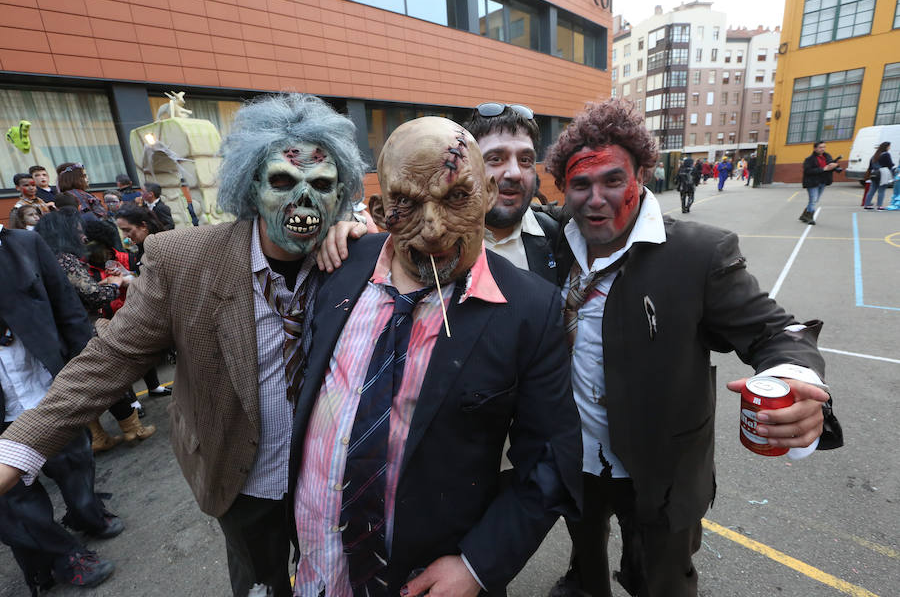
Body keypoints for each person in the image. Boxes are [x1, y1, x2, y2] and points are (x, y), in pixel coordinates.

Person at [0, 93, 368, 597]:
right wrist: (18, 448)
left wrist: (366, 232)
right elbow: (110, 358)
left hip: (333, 478)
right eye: (283, 180)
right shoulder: (184, 260)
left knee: (335, 579)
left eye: (323, 186)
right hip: (242, 475)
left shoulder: (359, 257)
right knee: (261, 583)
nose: (304, 200)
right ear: (251, 185)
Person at [540, 99, 840, 597]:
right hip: (578, 456)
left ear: (642, 176)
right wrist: (363, 231)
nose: (596, 199)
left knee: (661, 578)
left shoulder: (698, 255)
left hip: (661, 471)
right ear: (566, 189)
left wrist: (798, 380)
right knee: (585, 549)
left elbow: (774, 332)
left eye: (613, 180)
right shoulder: (550, 245)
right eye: (581, 184)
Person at [288, 115, 582, 597]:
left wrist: (478, 565)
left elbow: (551, 462)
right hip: (318, 567)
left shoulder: (530, 311)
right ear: (380, 209)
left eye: (457, 197)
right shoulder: (338, 264)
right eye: (406, 202)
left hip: (429, 582)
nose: (433, 230)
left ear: (486, 194)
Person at [0, 225, 121, 593]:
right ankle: (63, 555)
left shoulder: (23, 245)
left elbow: (66, 307)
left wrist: (85, 370)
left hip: (46, 388)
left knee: (74, 461)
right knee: (13, 499)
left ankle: (87, 514)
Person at [34, 210, 156, 452]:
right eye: (78, 230)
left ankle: (98, 437)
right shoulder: (65, 259)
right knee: (109, 379)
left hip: (56, 336)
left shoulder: (40, 259)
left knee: (81, 387)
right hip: (80, 330)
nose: (82, 235)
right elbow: (94, 296)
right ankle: (133, 429)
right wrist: (114, 284)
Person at [462, 101, 559, 283]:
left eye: (525, 160)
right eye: (496, 159)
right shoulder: (439, 239)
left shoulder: (556, 236)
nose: (514, 173)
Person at [800, 140, 842, 224]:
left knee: (815, 200)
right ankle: (810, 218)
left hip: (823, 181)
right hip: (812, 182)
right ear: (815, 149)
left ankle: (804, 215)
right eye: (820, 147)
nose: (823, 149)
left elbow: (830, 165)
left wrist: (836, 165)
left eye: (824, 147)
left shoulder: (827, 156)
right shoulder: (809, 159)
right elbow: (807, 171)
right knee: (813, 200)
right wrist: (823, 169)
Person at [863, 141, 894, 211]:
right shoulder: (886, 154)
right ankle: (879, 206)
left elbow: (870, 166)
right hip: (883, 174)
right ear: (886, 147)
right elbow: (890, 164)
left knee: (872, 190)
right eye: (889, 146)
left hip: (874, 174)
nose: (890, 147)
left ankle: (867, 205)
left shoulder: (875, 155)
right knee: (881, 190)